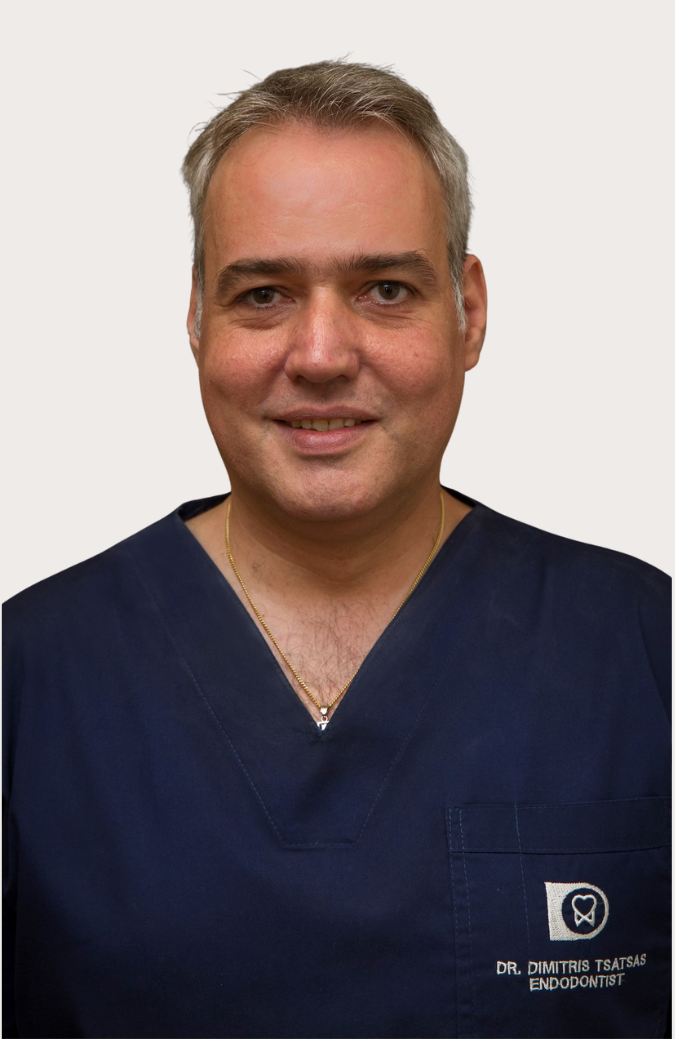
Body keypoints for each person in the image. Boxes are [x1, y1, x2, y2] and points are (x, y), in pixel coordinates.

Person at [2, 60, 670, 1039]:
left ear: (469, 310)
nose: (320, 354)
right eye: (264, 293)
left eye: (385, 288)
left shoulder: (643, 651)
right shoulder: (29, 680)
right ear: (196, 318)